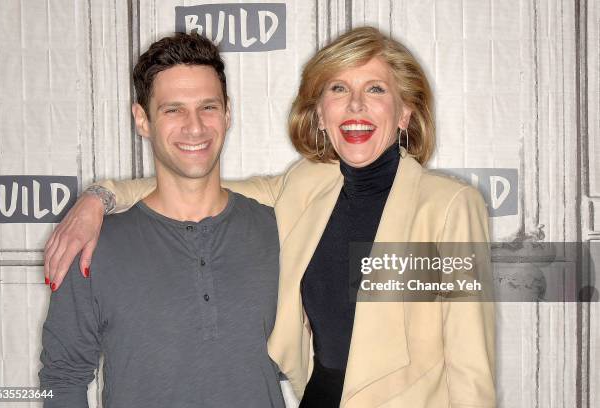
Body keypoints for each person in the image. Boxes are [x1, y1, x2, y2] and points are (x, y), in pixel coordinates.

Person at [44, 27, 495, 407]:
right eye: (339, 89)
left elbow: (471, 370)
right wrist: (98, 199)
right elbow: (193, 183)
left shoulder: (449, 207)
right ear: (321, 113)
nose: (355, 105)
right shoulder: (306, 186)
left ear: (405, 112)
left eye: (375, 89)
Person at [38, 32, 285, 407]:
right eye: (173, 110)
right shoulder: (92, 246)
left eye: (208, 107)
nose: (195, 127)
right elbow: (63, 377)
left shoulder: (278, 231)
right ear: (142, 119)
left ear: (228, 112)